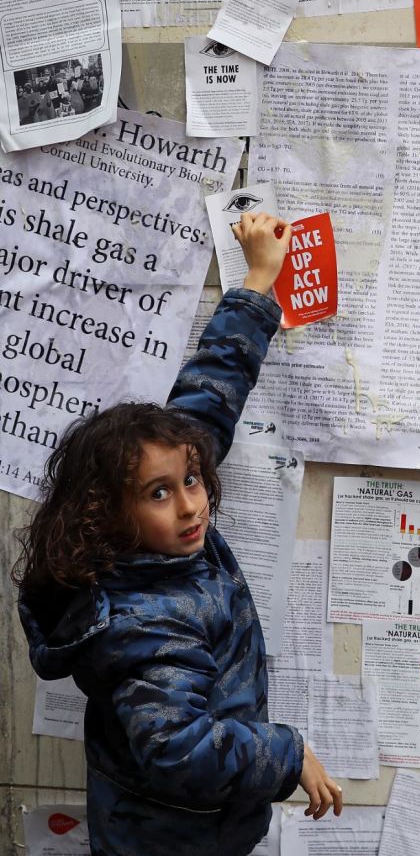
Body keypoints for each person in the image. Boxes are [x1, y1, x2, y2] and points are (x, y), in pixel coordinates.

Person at [15, 212, 343, 855]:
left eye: (191, 478)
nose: (192, 504)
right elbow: (177, 749)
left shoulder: (156, 541)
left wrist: (258, 279)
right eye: (160, 493)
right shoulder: (146, 623)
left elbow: (210, 394)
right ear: (108, 513)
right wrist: (288, 754)